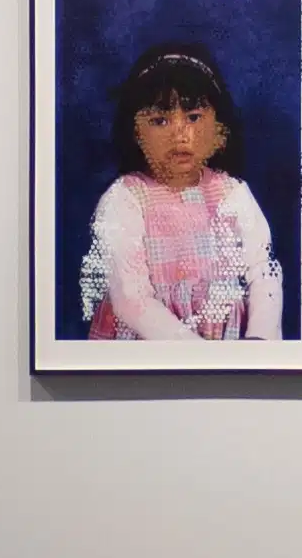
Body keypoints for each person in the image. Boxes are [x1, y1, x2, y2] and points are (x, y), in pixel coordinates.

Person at [79, 42, 279, 342]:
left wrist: (259, 340)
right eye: (160, 121)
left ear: (220, 129)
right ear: (135, 133)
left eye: (194, 117)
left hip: (229, 350)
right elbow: (131, 298)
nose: (179, 134)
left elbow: (263, 273)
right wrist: (195, 355)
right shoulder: (125, 199)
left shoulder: (232, 193)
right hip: (152, 349)